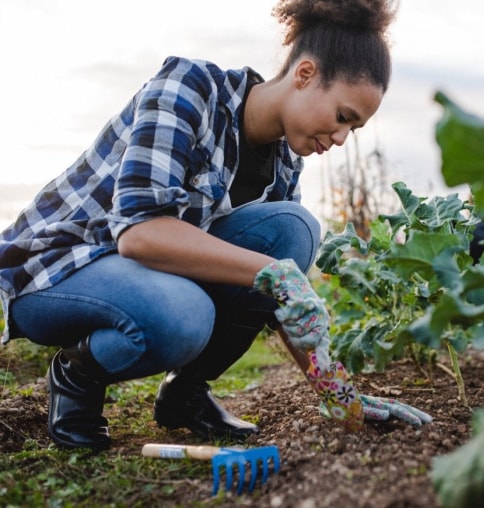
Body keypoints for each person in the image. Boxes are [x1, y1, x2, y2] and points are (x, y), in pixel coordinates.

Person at [0, 0, 431, 452]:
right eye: (343, 117)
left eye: (354, 129)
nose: (342, 138)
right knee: (185, 315)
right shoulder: (189, 88)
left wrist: (339, 395)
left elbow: (280, 295)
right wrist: (273, 273)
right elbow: (141, 232)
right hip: (55, 271)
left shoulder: (284, 164)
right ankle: (77, 373)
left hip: (139, 278)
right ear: (304, 75)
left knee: (294, 228)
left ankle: (185, 393)